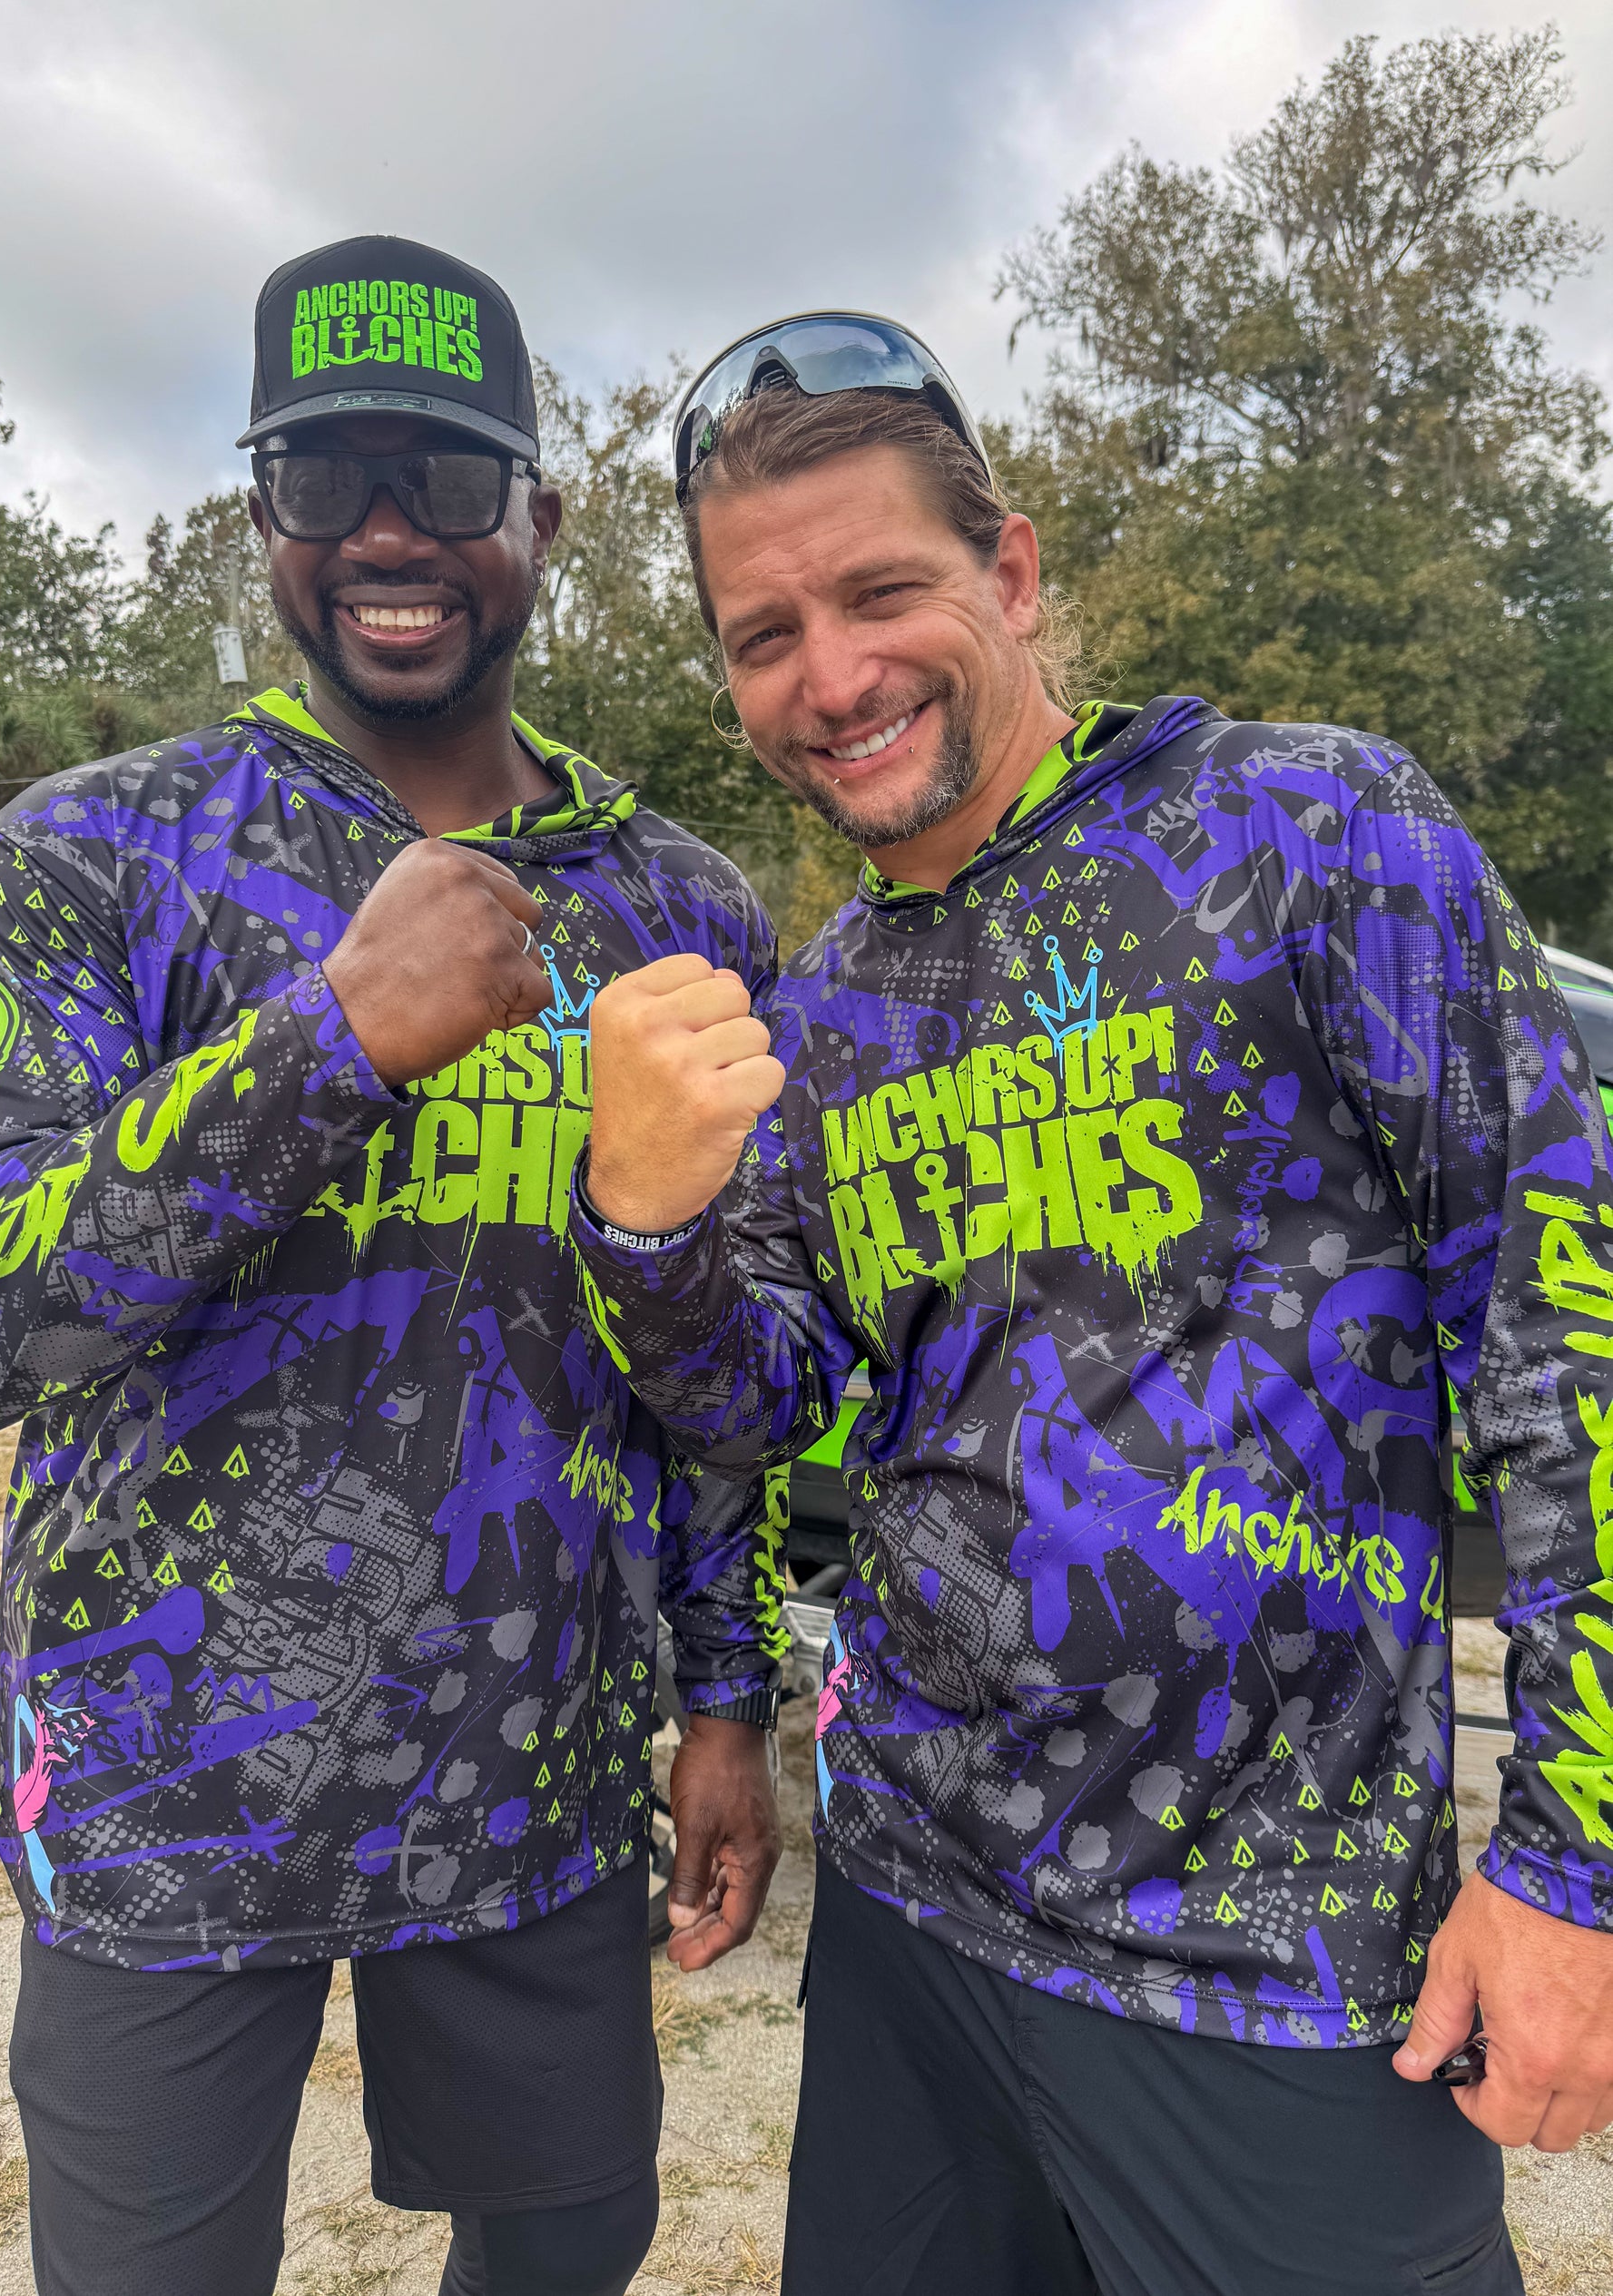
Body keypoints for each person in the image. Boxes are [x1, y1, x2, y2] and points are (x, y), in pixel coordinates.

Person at [567, 313, 1613, 2296]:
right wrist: (640, 1219)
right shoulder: (831, 998)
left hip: (1274, 1964)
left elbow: (1569, 1331)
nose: (830, 676)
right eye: (764, 634)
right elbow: (757, 1400)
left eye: (880, 592)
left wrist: (1577, 1867)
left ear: (1015, 571)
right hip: (911, 1918)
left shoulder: (1314, 835)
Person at [0, 236, 786, 2296]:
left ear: (540, 520)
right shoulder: (92, 853)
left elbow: (706, 1343)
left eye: (447, 479)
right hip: (165, 1780)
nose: (388, 533)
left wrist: (727, 1700)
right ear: (263, 517)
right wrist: (335, 1036)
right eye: (322, 476)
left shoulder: (676, 900)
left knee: (571, 2243)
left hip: (538, 1774)